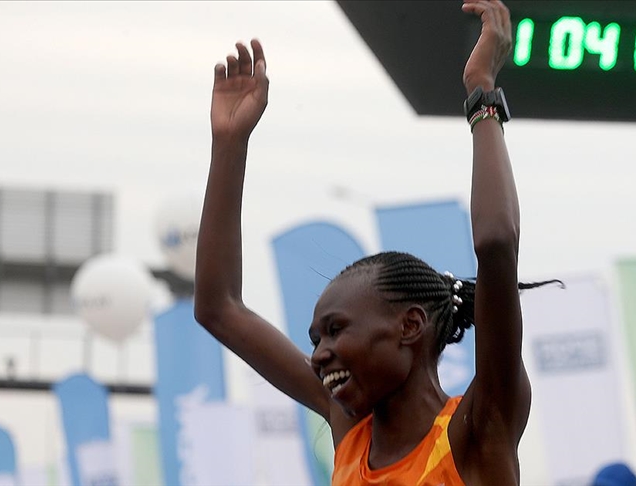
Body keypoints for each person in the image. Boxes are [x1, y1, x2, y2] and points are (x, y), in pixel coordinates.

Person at [194, 0, 559, 483]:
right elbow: (218, 308)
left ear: (409, 325)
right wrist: (229, 144)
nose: (320, 353)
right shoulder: (349, 430)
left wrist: (482, 93)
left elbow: (495, 241)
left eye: (335, 329)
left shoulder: (479, 428)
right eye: (316, 338)